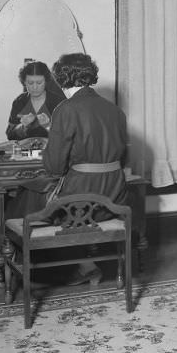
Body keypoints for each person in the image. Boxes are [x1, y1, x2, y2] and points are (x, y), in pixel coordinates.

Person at [42, 52, 129, 285]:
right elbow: (125, 156)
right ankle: (88, 264)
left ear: (61, 78)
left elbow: (54, 167)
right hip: (115, 193)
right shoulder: (115, 110)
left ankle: (80, 267)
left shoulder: (65, 109)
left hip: (82, 197)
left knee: (33, 203)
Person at [6, 61, 65, 141]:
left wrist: (48, 126)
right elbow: (10, 135)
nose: (34, 87)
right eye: (30, 83)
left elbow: (67, 136)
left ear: (46, 81)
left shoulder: (58, 102)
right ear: (24, 82)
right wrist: (22, 127)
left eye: (39, 83)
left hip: (52, 152)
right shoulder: (20, 101)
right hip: (24, 152)